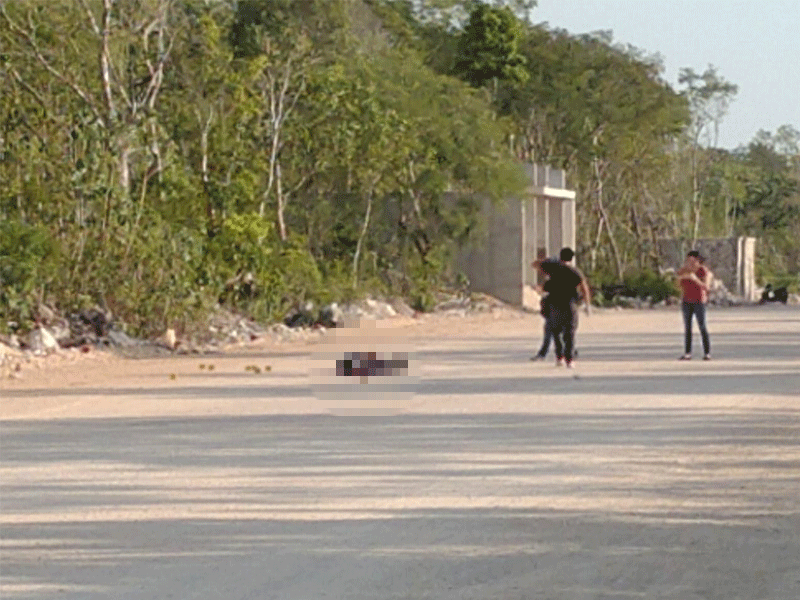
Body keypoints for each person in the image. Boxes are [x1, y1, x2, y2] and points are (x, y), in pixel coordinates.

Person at [532, 248, 591, 368]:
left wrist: (548, 261)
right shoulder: (575, 271)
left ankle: (559, 357)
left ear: (560, 256)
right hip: (570, 304)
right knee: (570, 333)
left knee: (556, 332)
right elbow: (584, 287)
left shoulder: (553, 268)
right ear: (572, 258)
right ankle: (569, 360)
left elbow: (535, 264)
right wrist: (587, 304)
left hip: (554, 304)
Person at [677, 250, 712, 360]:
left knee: (702, 326)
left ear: (698, 261)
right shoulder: (683, 270)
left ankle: (707, 353)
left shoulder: (704, 271)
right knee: (688, 327)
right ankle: (688, 353)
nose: (690, 263)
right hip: (686, 301)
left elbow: (706, 287)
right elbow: (678, 285)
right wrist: (680, 278)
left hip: (699, 301)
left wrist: (695, 279)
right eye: (688, 261)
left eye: (692, 261)